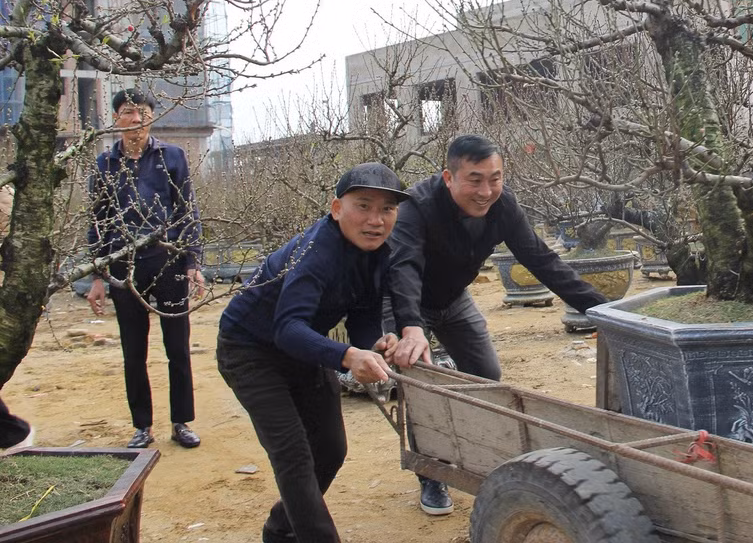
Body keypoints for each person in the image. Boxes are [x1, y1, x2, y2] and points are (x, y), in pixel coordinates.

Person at [383, 133, 608, 516]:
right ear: (449, 177)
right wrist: (410, 327)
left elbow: (541, 260)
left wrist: (604, 311)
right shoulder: (416, 207)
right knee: (420, 386)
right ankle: (431, 472)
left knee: (486, 376)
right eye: (475, 180)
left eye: (495, 178)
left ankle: (480, 454)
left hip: (454, 298)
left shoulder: (503, 206)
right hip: (405, 302)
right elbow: (403, 268)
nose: (486, 191)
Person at [218, 162, 429, 543]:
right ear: (336, 209)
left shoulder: (378, 252)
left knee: (330, 449)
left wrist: (373, 343)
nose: (376, 220)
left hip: (303, 347)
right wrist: (348, 357)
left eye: (387, 209)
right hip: (250, 350)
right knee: (293, 455)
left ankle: (280, 530)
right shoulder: (317, 251)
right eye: (363, 206)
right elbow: (287, 327)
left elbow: (363, 312)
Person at [86, 88, 204, 450]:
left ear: (151, 118)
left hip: (167, 260)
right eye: (128, 112)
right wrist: (98, 276)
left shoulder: (172, 157)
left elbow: (187, 211)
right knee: (133, 351)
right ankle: (142, 426)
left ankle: (181, 421)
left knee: (177, 347)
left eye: (143, 113)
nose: (136, 119)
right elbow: (98, 223)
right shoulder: (105, 164)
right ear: (116, 118)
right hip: (123, 266)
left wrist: (192, 261)